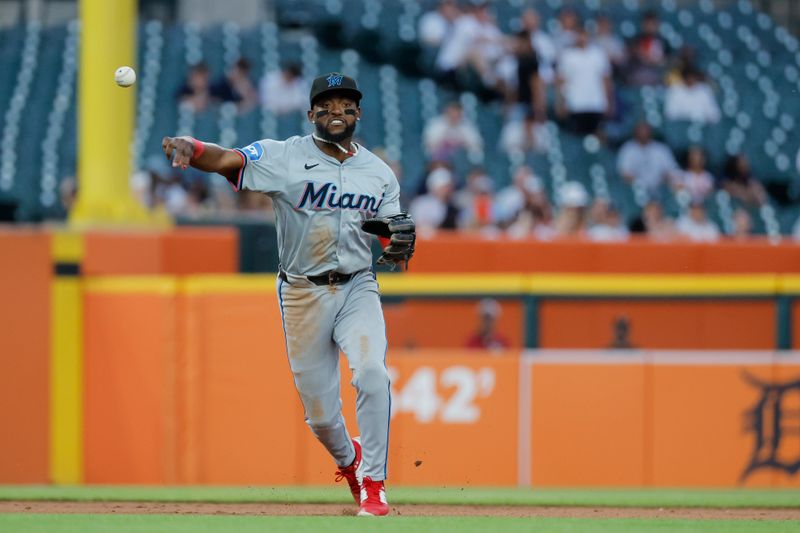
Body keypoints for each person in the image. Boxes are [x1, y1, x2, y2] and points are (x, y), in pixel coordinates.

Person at [161, 73, 414, 517]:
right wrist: (193, 147)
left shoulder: (378, 173)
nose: (337, 111)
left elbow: (393, 235)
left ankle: (375, 483)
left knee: (373, 374)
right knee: (320, 417)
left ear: (358, 112)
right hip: (302, 293)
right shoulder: (284, 156)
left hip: (357, 285)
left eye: (346, 104)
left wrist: (396, 243)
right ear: (311, 113)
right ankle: (350, 461)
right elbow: (228, 160)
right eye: (327, 104)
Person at [556, 25, 614, 136]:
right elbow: (561, 81)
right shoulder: (567, 55)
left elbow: (606, 79)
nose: (582, 37)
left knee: (596, 137)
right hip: (575, 104)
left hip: (596, 104)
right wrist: (561, 103)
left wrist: (609, 102)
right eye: (579, 34)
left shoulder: (599, 54)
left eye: (584, 34)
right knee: (576, 138)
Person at [617, 122, 679, 196]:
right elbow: (624, 173)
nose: (643, 133)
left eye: (645, 130)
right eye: (641, 130)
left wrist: (665, 178)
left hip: (660, 189)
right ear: (635, 132)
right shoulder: (628, 149)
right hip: (635, 191)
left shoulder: (661, 149)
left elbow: (672, 171)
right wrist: (639, 183)